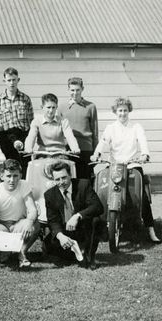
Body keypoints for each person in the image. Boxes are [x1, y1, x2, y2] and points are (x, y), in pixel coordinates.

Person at [91, 97, 161, 243]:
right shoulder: (111, 128)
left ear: (129, 111)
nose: (122, 113)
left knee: (142, 196)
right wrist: (97, 153)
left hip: (132, 164)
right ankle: (98, 227)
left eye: (125, 110)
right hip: (114, 165)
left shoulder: (136, 127)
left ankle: (150, 229)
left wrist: (144, 154)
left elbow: (142, 141)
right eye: (119, 111)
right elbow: (103, 142)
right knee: (102, 191)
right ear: (115, 112)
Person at [44, 161, 104, 269]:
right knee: (49, 249)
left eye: (64, 177)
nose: (61, 182)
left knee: (96, 220)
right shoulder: (49, 195)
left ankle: (89, 255)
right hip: (65, 230)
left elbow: (98, 206)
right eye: (57, 179)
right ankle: (74, 254)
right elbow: (52, 220)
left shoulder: (83, 185)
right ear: (53, 179)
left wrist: (77, 216)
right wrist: (60, 236)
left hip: (83, 227)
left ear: (70, 175)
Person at [0, 159, 40, 267]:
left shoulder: (24, 185)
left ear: (20, 175)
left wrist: (29, 222)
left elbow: (32, 209)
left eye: (15, 176)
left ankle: (22, 253)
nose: (12, 180)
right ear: (2, 176)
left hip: (19, 224)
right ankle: (5, 252)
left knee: (34, 225)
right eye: (8, 176)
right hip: (2, 225)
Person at [0, 67, 33, 175]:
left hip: (22, 137)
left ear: (18, 80)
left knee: (23, 169)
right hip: (5, 139)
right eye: (9, 80)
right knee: (7, 170)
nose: (11, 83)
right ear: (4, 81)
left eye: (14, 80)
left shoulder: (25, 99)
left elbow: (31, 122)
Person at [58, 77, 98, 179]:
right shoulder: (62, 107)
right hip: (68, 150)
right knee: (69, 180)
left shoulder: (91, 107)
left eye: (77, 90)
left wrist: (96, 152)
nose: (75, 93)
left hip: (86, 150)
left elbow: (95, 132)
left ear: (82, 89)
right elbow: (59, 130)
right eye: (72, 90)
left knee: (85, 181)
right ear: (68, 90)